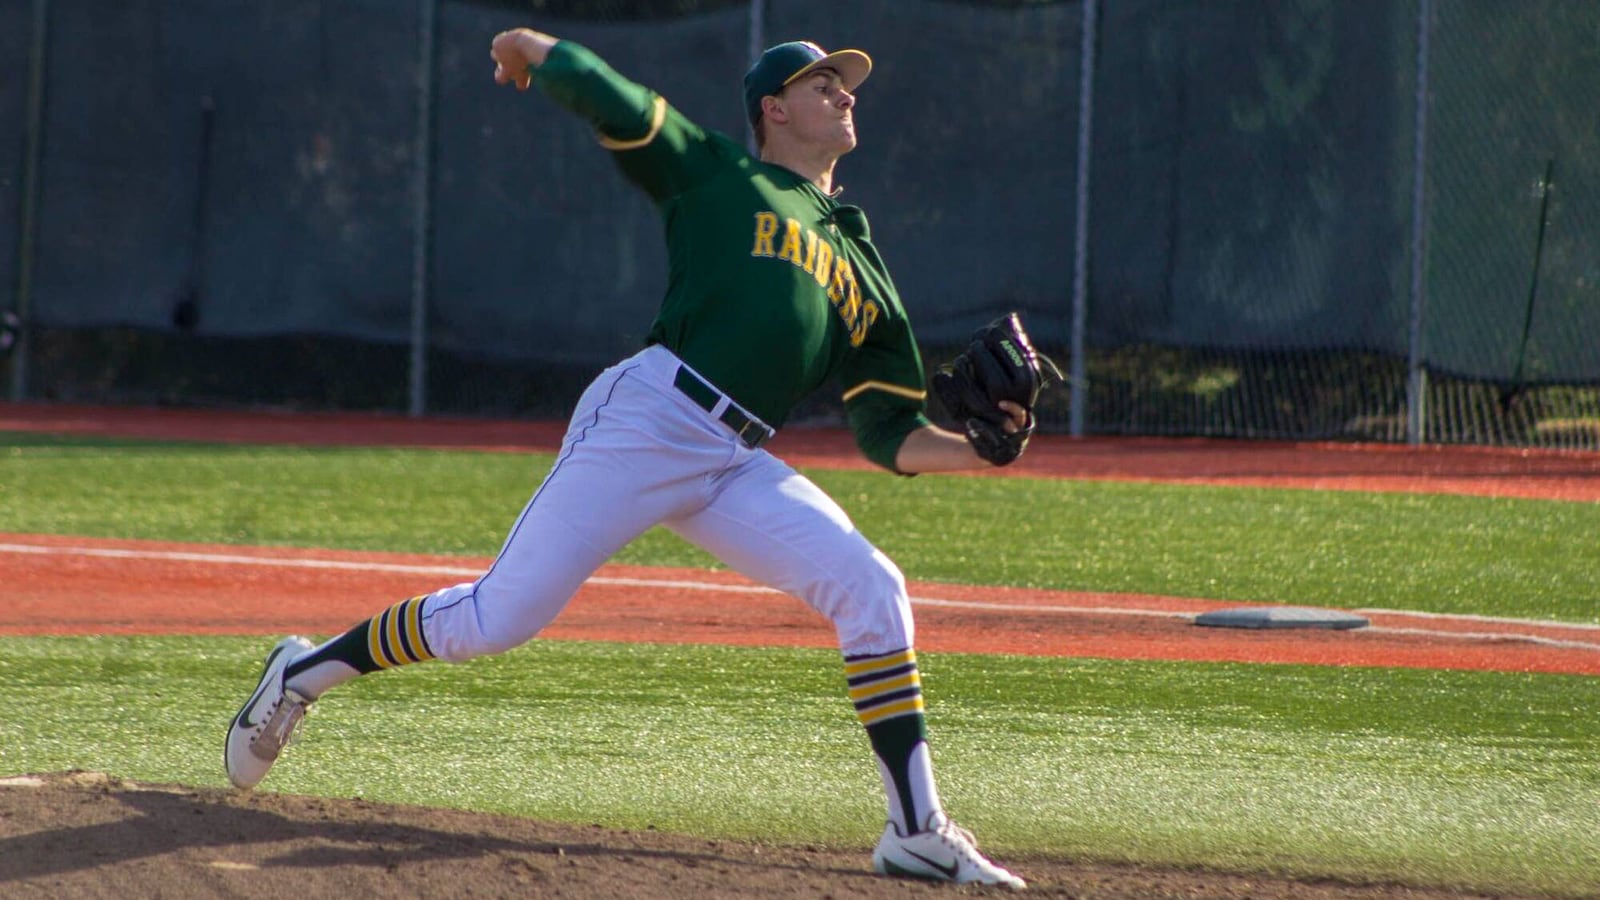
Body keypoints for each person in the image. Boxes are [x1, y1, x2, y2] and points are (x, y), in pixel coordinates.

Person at [226, 26, 1029, 889]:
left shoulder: (863, 265)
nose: (845, 92)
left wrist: (984, 450)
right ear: (774, 108)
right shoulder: (727, 177)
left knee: (872, 588)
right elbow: (623, 105)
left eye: (846, 83)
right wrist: (534, 47)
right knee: (496, 619)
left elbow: (887, 430)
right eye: (823, 83)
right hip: (649, 418)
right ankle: (302, 673)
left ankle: (915, 829)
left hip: (735, 457)